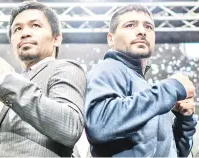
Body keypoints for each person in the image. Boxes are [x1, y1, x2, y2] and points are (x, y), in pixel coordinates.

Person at [0, 1, 86, 157]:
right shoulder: (12, 86)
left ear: (56, 38)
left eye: (35, 25)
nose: (24, 33)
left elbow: (70, 127)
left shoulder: (66, 68)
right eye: (17, 29)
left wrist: (5, 80)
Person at [84, 4, 197, 157]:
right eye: (130, 25)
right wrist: (171, 88)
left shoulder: (150, 94)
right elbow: (98, 125)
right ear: (111, 39)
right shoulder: (108, 68)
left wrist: (184, 121)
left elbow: (174, 152)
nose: (142, 31)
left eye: (148, 27)